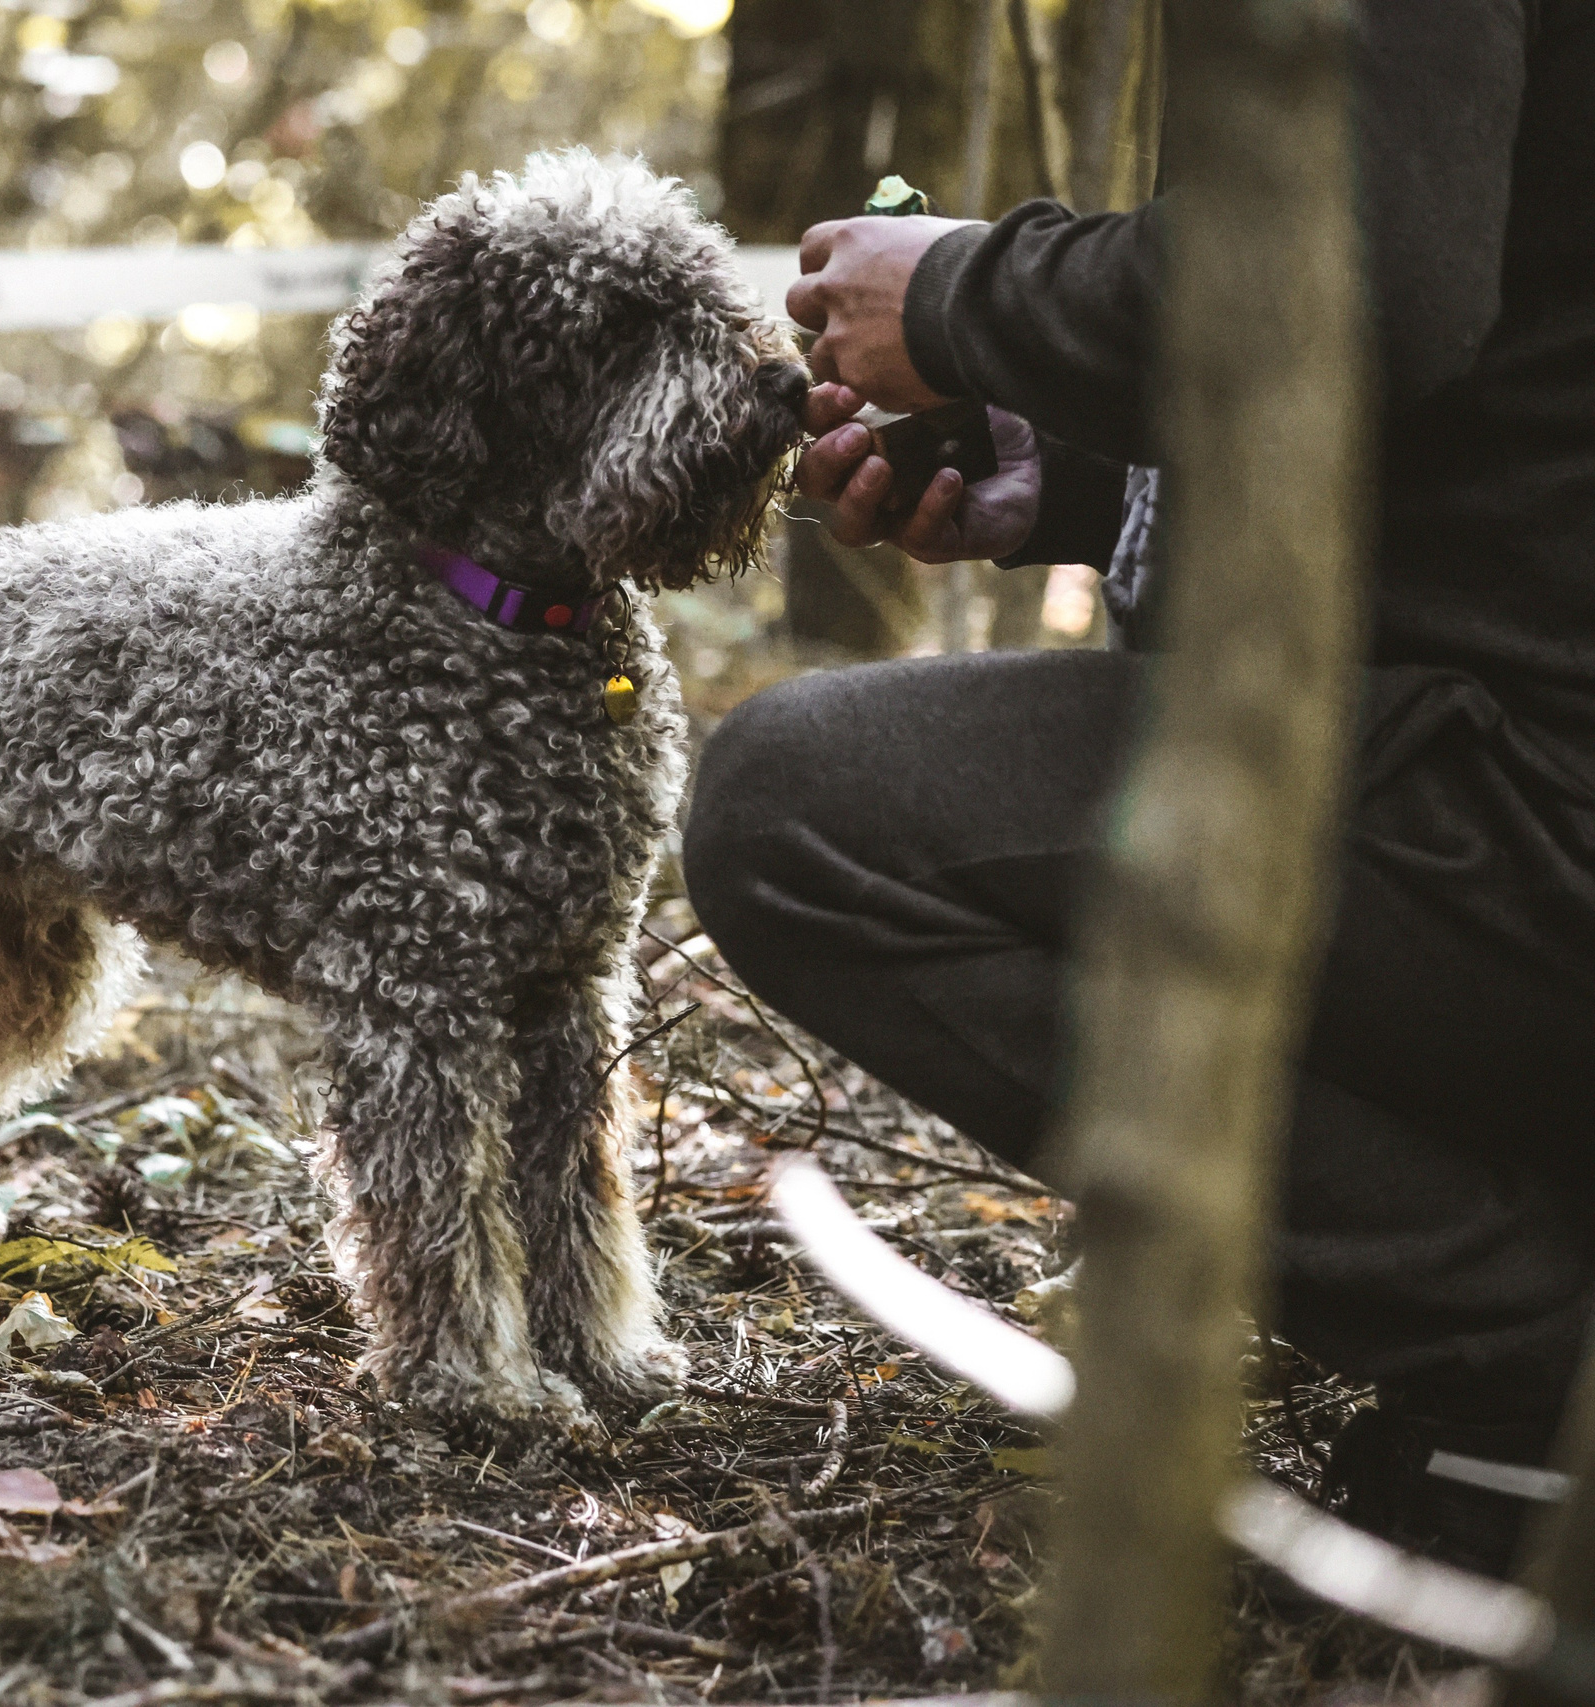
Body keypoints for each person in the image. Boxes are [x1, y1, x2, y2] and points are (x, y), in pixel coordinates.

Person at [682, 0, 1595, 1576]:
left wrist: (967, 293)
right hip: (1505, 756)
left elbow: (1371, 277)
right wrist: (1090, 482)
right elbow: (1496, 357)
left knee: (797, 815)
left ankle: (1533, 1372)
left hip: (1534, 804)